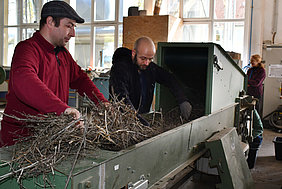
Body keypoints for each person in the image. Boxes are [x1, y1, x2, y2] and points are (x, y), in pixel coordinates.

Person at [0, 1, 108, 147]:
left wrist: (102, 104)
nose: (73, 33)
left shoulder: (62, 54)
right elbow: (25, 81)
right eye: (69, 26)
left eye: (74, 27)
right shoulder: (27, 49)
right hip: (20, 140)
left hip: (49, 135)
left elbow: (81, 80)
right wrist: (62, 109)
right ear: (50, 22)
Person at [109, 36, 192, 126]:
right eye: (143, 58)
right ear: (134, 53)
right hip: (122, 122)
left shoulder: (150, 67)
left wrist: (182, 100)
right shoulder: (120, 69)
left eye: (150, 59)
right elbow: (121, 98)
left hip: (143, 116)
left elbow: (169, 78)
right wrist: (139, 122)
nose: (147, 63)